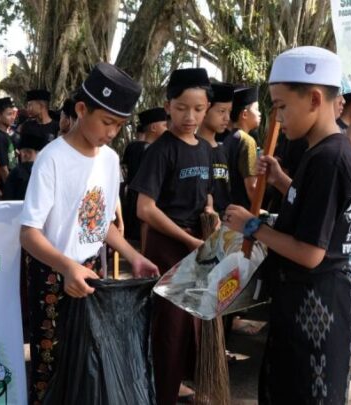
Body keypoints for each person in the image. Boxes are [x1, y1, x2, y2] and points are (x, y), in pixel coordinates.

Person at [224, 46, 351, 404]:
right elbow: (315, 208)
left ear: (315, 98)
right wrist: (282, 180)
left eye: (282, 106)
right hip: (306, 299)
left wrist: (252, 227)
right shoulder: (322, 151)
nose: (277, 118)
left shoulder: (330, 158)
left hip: (317, 303)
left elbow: (311, 252)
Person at [19, 62, 158, 404]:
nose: (112, 133)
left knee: (90, 363)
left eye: (120, 125)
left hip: (91, 273)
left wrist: (134, 256)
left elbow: (100, 224)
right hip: (53, 275)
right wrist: (66, 267)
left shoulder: (110, 160)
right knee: (50, 367)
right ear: (81, 109)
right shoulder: (52, 159)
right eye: (107, 122)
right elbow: (29, 233)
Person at [131, 67, 216, 404]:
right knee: (170, 329)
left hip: (197, 245)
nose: (189, 116)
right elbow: (145, 209)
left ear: (207, 107)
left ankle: (188, 385)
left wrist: (211, 214)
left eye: (197, 109)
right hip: (168, 248)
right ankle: (161, 395)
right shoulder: (160, 150)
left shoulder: (207, 150)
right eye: (181, 108)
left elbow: (206, 196)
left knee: (195, 325)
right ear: (167, 107)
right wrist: (189, 240)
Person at [121, 107, 168, 241]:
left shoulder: (132, 146)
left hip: (131, 200)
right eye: (164, 125)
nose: (167, 128)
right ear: (153, 127)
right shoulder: (153, 151)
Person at [197, 82, 234, 214]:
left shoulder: (222, 149)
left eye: (229, 111)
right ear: (205, 110)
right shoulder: (193, 149)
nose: (227, 118)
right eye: (222, 111)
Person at [223, 86, 260, 209]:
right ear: (244, 114)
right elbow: (252, 187)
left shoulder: (228, 139)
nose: (259, 113)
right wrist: (257, 210)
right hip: (243, 211)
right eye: (256, 109)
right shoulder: (247, 141)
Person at [3, 133, 47, 201]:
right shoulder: (46, 171)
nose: (25, 155)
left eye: (29, 152)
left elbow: (7, 197)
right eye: (23, 152)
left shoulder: (16, 172)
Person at [0, 96, 19, 192]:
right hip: (6, 187)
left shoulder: (5, 135)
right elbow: (3, 168)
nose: (12, 117)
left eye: (13, 114)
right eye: (9, 114)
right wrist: (10, 189)